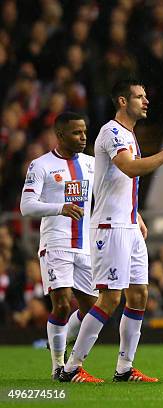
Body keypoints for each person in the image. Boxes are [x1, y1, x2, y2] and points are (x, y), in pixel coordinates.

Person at [59, 79, 163, 383]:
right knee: (110, 298)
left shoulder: (129, 134)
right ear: (122, 101)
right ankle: (71, 368)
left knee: (139, 295)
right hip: (110, 226)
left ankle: (124, 368)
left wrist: (136, 215)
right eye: (139, 96)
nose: (145, 101)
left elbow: (121, 184)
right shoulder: (111, 132)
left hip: (129, 224)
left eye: (146, 96)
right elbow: (130, 168)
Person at [20, 111, 97, 380]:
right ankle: (58, 367)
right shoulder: (40, 165)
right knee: (62, 304)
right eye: (76, 132)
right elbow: (26, 206)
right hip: (56, 244)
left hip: (86, 247)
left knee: (94, 309)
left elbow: (112, 194)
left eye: (85, 131)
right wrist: (60, 208)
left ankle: (61, 341)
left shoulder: (91, 164)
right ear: (60, 134)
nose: (83, 137)